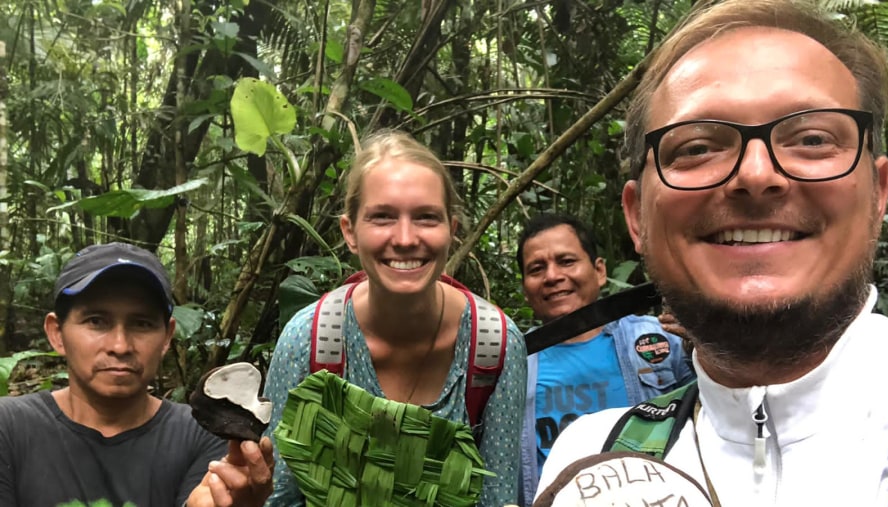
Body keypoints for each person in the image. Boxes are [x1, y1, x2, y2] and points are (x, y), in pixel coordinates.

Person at [536, 0, 888, 505]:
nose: (756, 175)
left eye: (812, 139)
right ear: (637, 217)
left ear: (877, 194)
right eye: (698, 148)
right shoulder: (592, 466)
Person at [263, 130, 527, 506]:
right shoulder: (311, 339)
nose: (405, 238)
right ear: (350, 232)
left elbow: (497, 499)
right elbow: (280, 497)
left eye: (426, 218)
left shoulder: (493, 344)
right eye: (383, 217)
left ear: (452, 231)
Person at [0, 242, 274, 507]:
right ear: (57, 334)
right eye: (96, 321)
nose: (120, 346)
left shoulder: (205, 435)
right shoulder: (10, 428)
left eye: (142, 324)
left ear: (167, 337)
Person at [516, 213, 695, 505]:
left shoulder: (661, 339)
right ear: (525, 289)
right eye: (537, 268)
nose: (552, 276)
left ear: (599, 271)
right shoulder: (514, 364)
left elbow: (715, 412)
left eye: (566, 261)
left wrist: (703, 346)